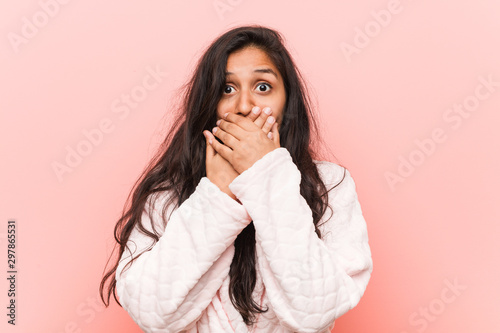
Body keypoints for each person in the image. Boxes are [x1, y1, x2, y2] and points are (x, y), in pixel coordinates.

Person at [100, 25, 373, 333]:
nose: (244, 106)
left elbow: (315, 312)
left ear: (287, 102)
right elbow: (152, 314)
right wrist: (217, 196)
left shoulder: (329, 185)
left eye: (263, 87)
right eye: (227, 89)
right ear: (209, 104)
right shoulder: (168, 191)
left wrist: (266, 174)